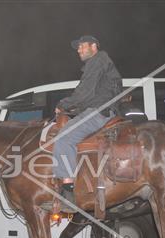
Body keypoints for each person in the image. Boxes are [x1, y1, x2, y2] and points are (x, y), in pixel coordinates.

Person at [51, 35, 123, 211]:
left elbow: (84, 93)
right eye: (78, 48)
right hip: (102, 108)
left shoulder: (97, 61)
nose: (79, 50)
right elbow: (90, 95)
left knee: (63, 138)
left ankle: (68, 192)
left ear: (93, 46)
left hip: (99, 111)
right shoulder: (102, 62)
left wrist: (63, 104)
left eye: (82, 46)